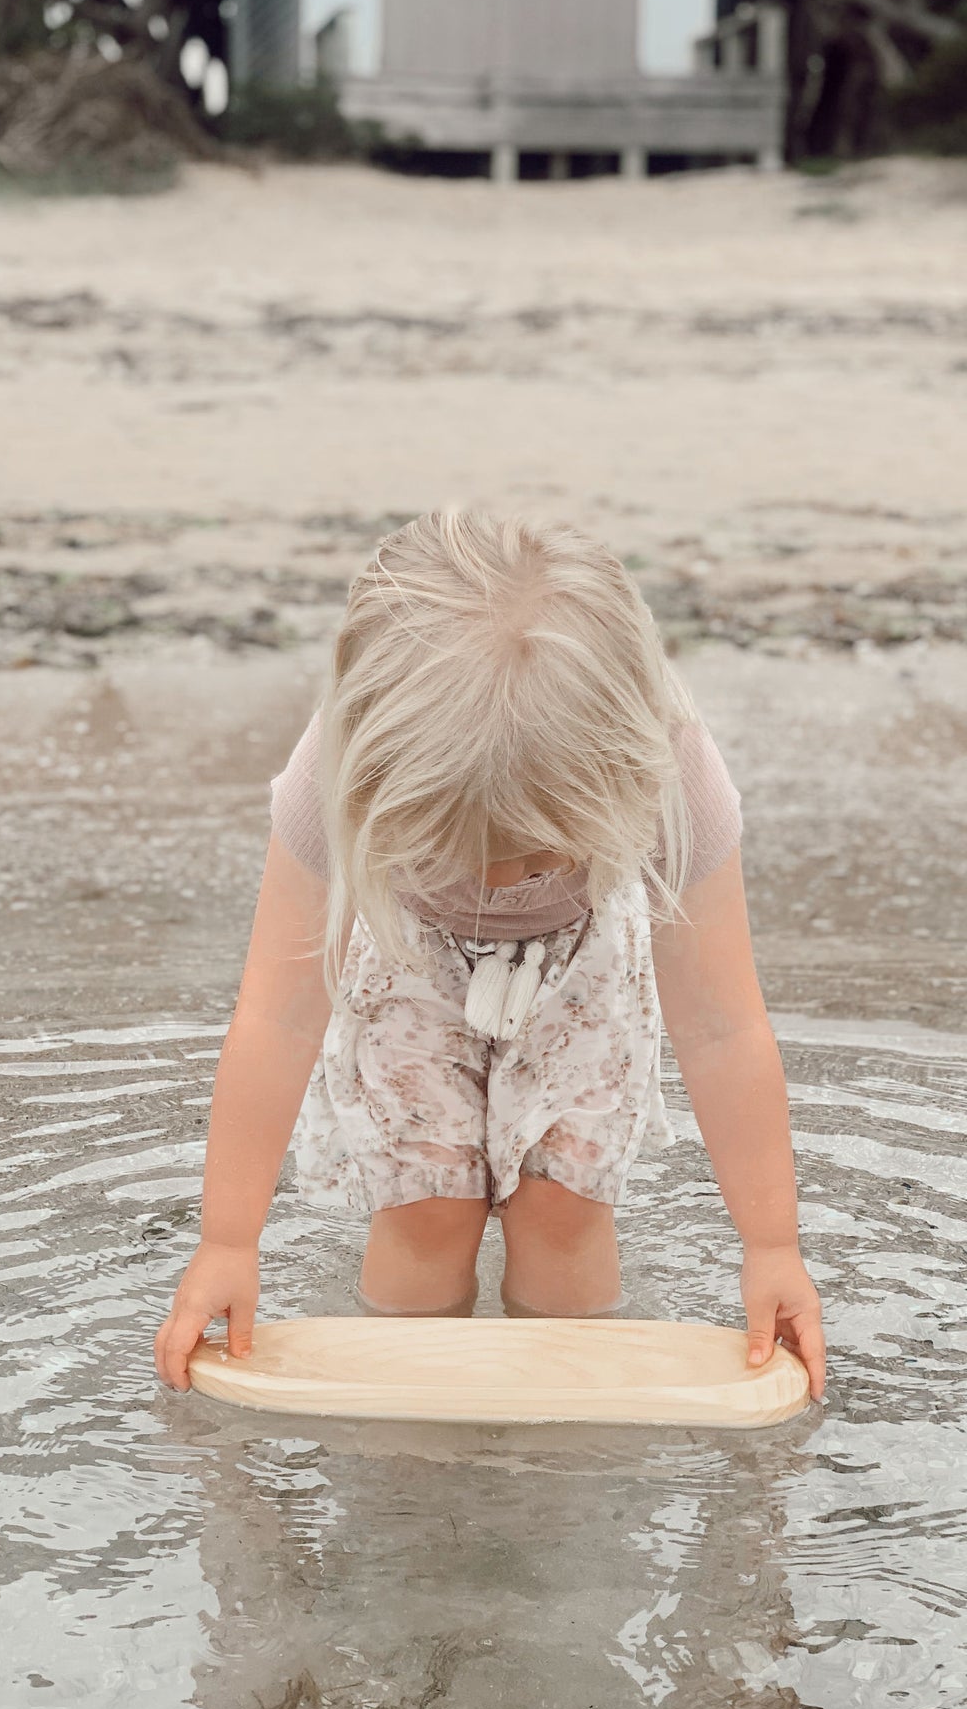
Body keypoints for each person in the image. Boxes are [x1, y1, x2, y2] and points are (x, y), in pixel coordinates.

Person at [155, 510, 825, 1398]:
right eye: (456, 855)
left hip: (584, 971)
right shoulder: (342, 768)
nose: (497, 883)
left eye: (538, 859)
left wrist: (770, 1244)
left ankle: (560, 1464)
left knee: (563, 1218)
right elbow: (277, 1016)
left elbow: (722, 1026)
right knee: (426, 1217)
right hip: (407, 957)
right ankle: (414, 1467)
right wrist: (227, 1241)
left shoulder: (668, 774)